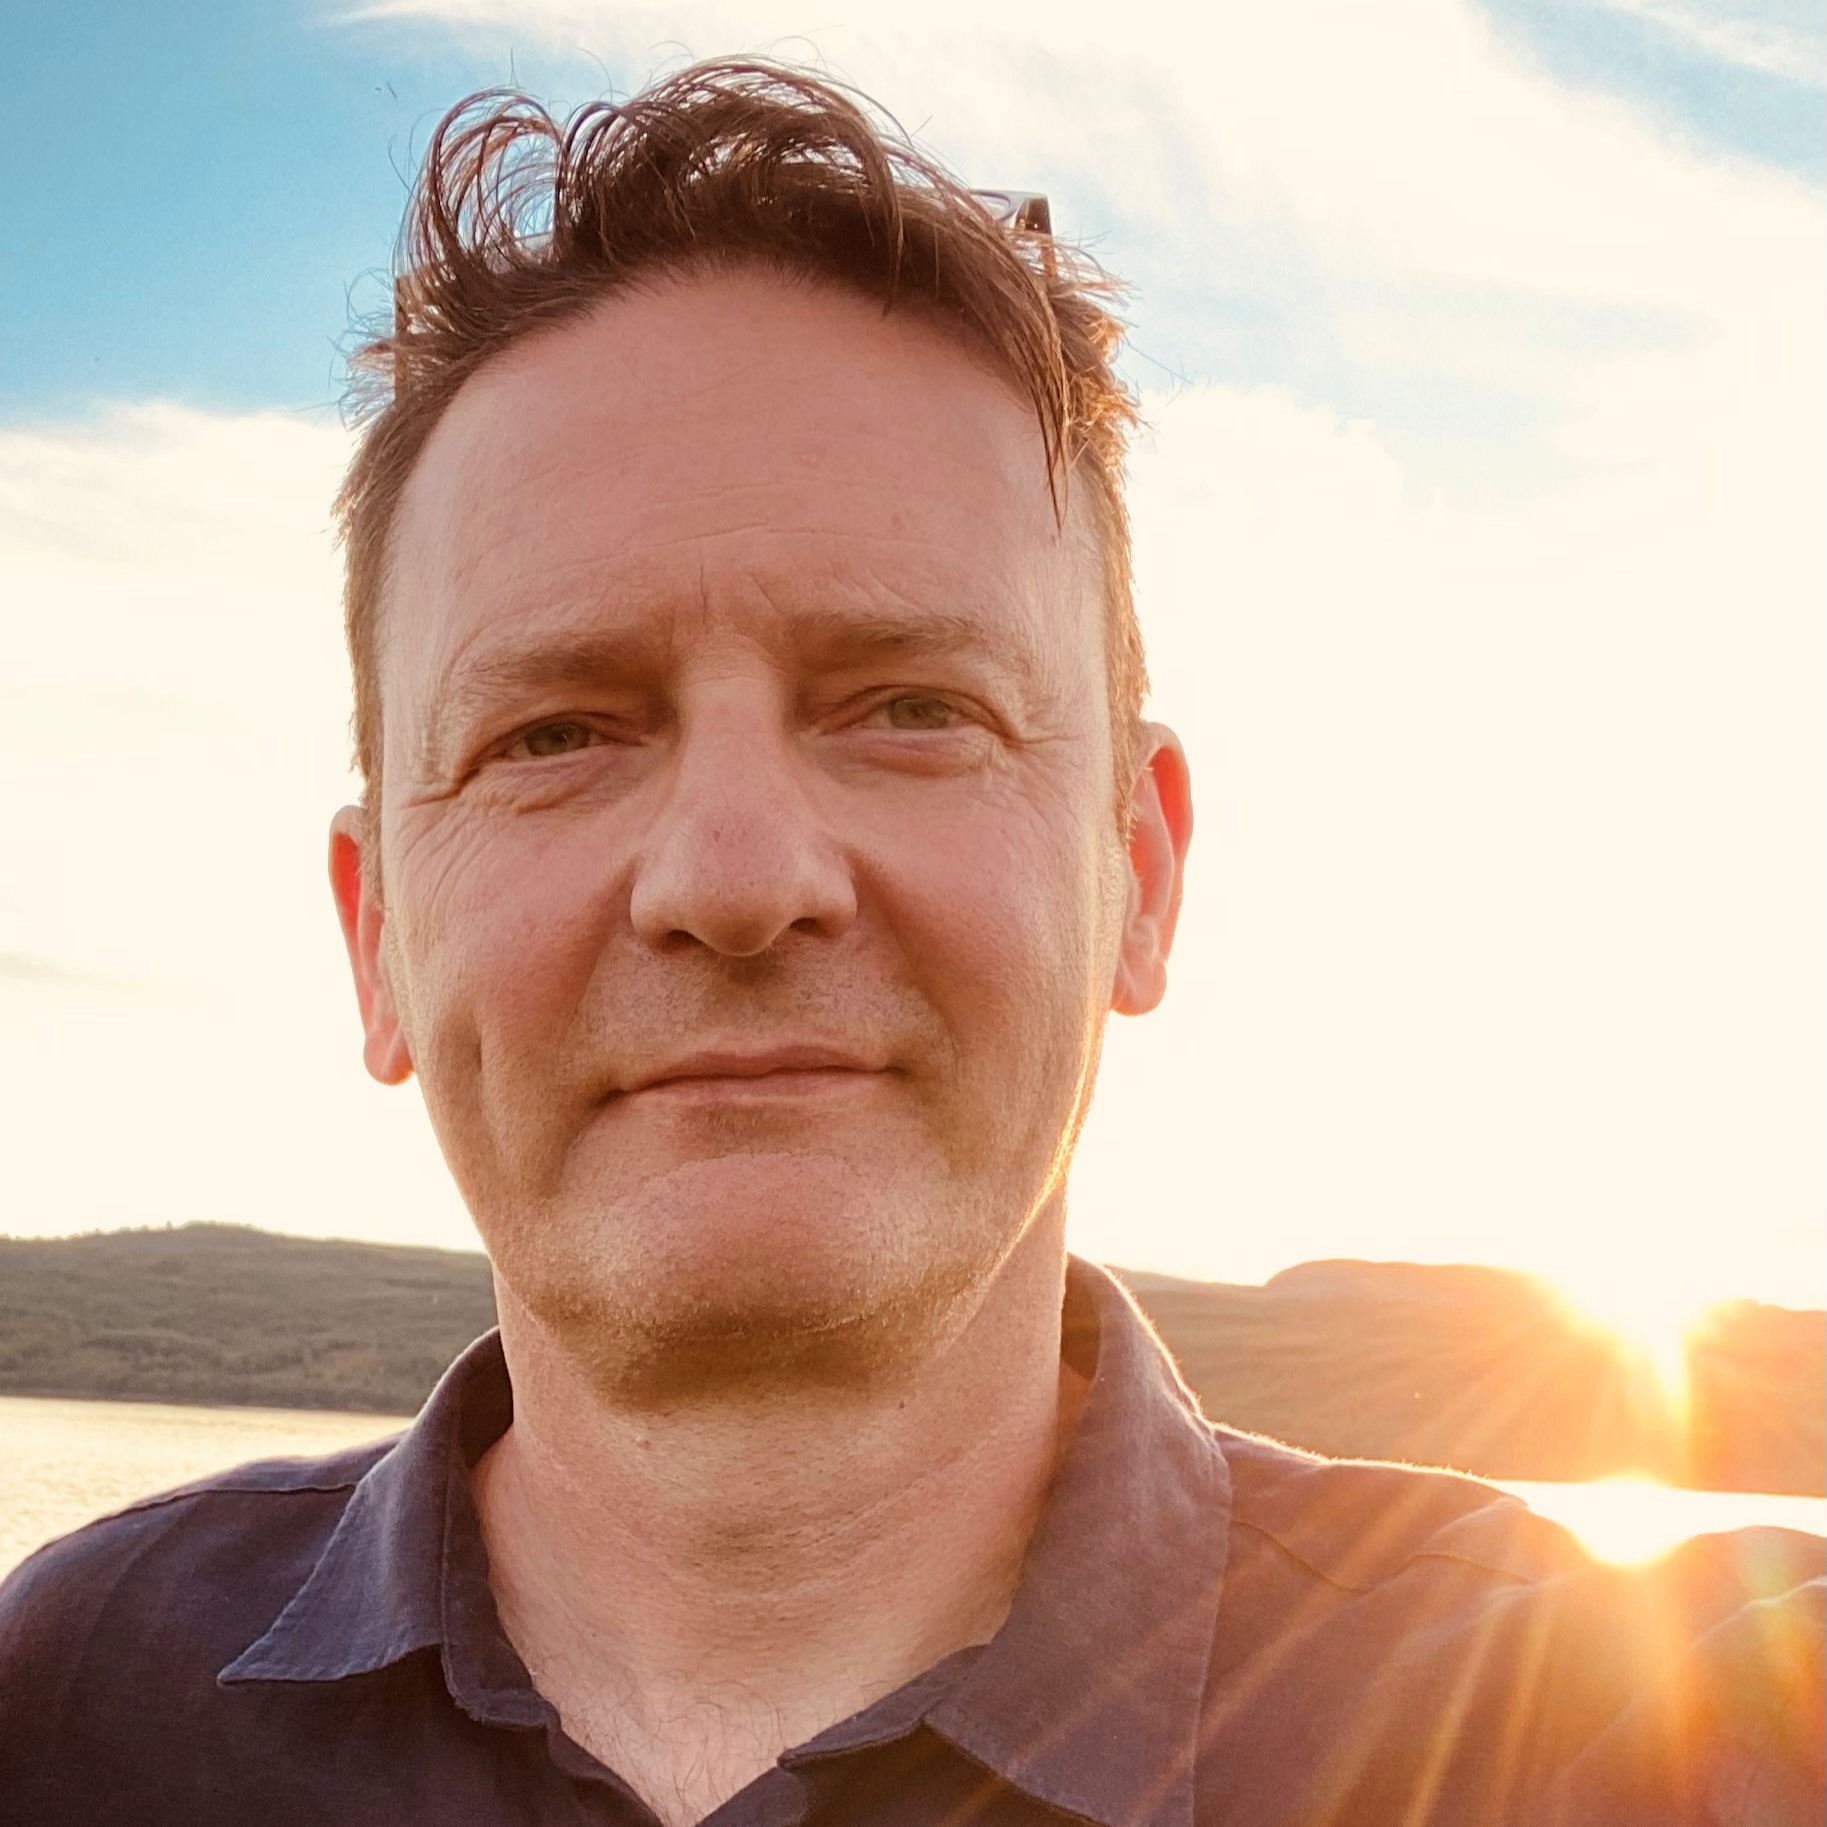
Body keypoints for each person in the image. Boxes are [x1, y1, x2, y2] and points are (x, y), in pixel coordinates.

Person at [0, 57, 1819, 1827]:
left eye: (912, 707)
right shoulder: (70, 1705)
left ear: (1139, 869)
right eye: (553, 734)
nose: (733, 877)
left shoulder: (1638, 1735)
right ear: (377, 935)